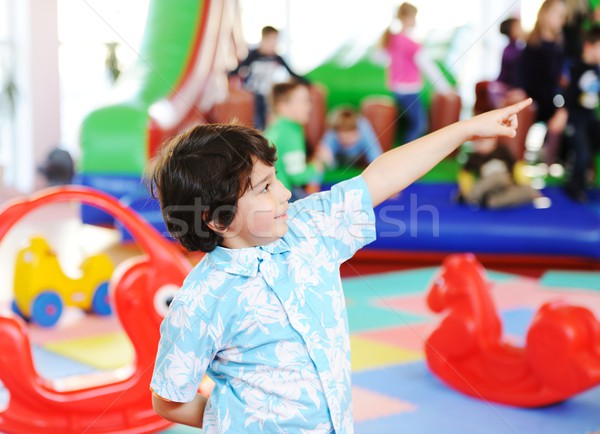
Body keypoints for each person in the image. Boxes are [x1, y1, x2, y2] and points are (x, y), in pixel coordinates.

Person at [146, 97, 532, 433]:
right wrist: (238, 421)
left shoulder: (308, 228)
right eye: (264, 188)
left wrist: (464, 130)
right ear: (218, 219)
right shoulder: (201, 300)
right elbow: (169, 399)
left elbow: (381, 176)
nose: (283, 193)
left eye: (275, 178)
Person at [381, 2, 452, 143]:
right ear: (407, 18)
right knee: (419, 125)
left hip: (396, 88)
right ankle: (407, 155)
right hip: (409, 89)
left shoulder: (392, 39)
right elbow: (429, 67)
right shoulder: (411, 43)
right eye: (414, 17)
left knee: (410, 123)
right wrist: (445, 89)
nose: (415, 21)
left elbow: (381, 58)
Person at [229, 26, 309, 130]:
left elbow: (292, 73)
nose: (274, 45)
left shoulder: (276, 57)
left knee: (272, 108)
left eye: (276, 42)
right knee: (259, 111)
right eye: (271, 41)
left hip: (268, 92)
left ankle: (268, 131)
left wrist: (309, 83)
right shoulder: (254, 55)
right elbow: (238, 70)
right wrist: (229, 76)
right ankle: (258, 130)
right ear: (264, 40)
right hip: (255, 92)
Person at [521, 0, 569, 165]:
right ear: (545, 14)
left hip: (553, 97)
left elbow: (557, 78)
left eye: (563, 16)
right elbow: (528, 77)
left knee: (566, 113)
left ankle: (550, 157)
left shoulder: (560, 45)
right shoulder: (533, 44)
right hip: (535, 97)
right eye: (557, 14)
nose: (560, 19)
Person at [264, 81, 323, 200]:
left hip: (269, 192)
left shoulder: (276, 127)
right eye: (303, 102)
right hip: (281, 195)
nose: (309, 107)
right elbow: (297, 175)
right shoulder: (291, 132)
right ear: (283, 107)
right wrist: (317, 166)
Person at [564, 25, 600, 202]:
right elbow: (568, 95)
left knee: (587, 153)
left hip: (590, 118)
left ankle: (585, 173)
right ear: (589, 47)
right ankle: (575, 186)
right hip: (576, 120)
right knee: (582, 154)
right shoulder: (575, 67)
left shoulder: (597, 70)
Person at [457, 137, 541, 209]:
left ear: (493, 140)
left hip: (506, 186)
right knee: (498, 177)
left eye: (482, 142)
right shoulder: (474, 158)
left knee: (528, 191)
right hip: (488, 187)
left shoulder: (502, 151)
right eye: (476, 142)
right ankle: (472, 196)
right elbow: (465, 175)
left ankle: (490, 201)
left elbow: (517, 168)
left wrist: (527, 185)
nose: (478, 145)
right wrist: (466, 190)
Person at [318, 106, 383, 169]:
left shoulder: (364, 129)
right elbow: (322, 162)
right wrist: (329, 163)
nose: (347, 141)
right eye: (343, 137)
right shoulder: (332, 134)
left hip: (360, 162)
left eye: (350, 136)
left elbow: (376, 157)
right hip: (339, 161)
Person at [497, 17, 526, 89]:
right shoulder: (510, 51)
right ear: (511, 31)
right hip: (512, 88)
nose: (521, 30)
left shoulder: (519, 47)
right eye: (518, 27)